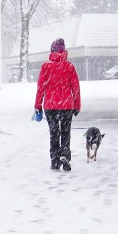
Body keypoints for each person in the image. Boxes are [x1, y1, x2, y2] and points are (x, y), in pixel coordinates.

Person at [34, 37, 81, 171]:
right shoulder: (69, 67)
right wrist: (77, 105)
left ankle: (54, 161)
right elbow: (75, 87)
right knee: (65, 132)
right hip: (66, 105)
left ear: (52, 50)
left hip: (50, 105)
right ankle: (65, 155)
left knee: (54, 133)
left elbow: (40, 88)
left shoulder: (46, 67)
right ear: (64, 51)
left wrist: (38, 106)